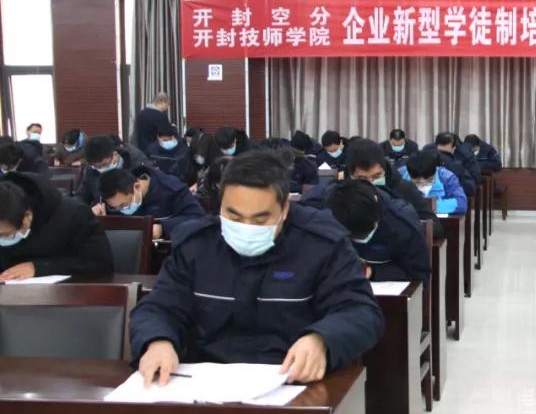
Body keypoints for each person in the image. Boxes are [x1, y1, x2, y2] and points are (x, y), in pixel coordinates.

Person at [129, 151, 385, 386]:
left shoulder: (322, 244)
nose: (246, 227)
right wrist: (158, 340)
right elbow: (159, 307)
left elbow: (361, 312)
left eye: (260, 219)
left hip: (294, 381)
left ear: (284, 209)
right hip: (206, 382)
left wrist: (321, 339)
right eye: (234, 217)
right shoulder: (196, 244)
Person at [302, 138, 441, 236]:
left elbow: (436, 228)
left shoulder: (404, 189)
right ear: (350, 174)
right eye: (362, 179)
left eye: (376, 176)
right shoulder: (337, 191)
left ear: (384, 168)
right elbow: (304, 213)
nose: (370, 183)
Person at [0, 171, 114, 281]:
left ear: (27, 217)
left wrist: (39, 268)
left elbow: (100, 264)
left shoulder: (75, 214)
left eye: (4, 234)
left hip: (69, 290)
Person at [324, 179, 431, 283]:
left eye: (369, 231)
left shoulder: (402, 222)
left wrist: (373, 272)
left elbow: (419, 273)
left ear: (376, 201)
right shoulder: (327, 213)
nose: (362, 240)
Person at [98, 167, 206, 239]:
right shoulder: (112, 194)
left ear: (137, 187)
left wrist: (163, 227)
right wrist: (99, 217)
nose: (121, 210)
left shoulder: (172, 189)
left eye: (123, 205)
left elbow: (197, 217)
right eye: (114, 207)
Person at [78, 134, 150, 208]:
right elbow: (82, 195)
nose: (101, 169)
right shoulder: (91, 171)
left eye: (104, 164)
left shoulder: (137, 165)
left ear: (115, 155)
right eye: (97, 166)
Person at [399, 149, 468, 215]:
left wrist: (432, 206)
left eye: (428, 179)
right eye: (417, 180)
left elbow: (462, 203)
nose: (422, 182)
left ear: (435, 170)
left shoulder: (446, 177)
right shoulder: (400, 175)